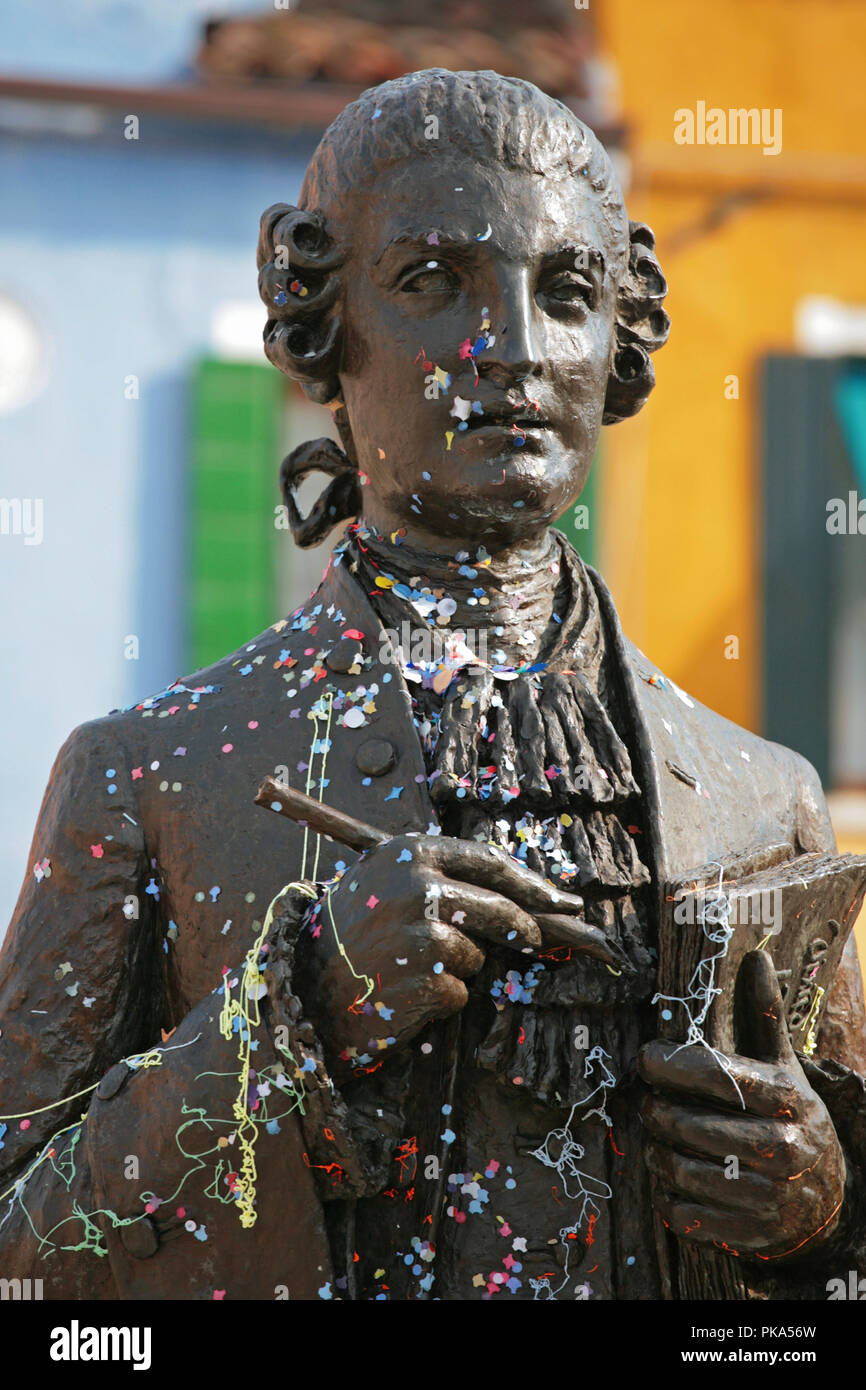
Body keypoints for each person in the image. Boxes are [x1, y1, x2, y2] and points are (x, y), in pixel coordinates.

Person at [1, 68, 864, 1301]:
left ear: (615, 345)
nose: (507, 347)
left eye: (565, 294)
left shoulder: (758, 794)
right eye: (430, 281)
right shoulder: (148, 775)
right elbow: (24, 1265)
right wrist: (294, 1016)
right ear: (323, 330)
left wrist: (815, 1210)